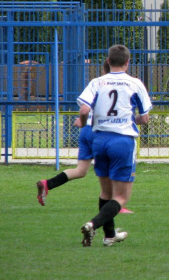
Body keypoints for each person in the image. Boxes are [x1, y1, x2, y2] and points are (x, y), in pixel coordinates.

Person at [76, 44, 152, 247]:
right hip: (122, 141)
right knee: (121, 197)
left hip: (99, 140)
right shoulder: (135, 83)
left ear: (108, 61)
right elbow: (144, 118)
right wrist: (127, 119)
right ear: (128, 62)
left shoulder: (97, 82)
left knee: (105, 193)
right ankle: (93, 224)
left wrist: (84, 125)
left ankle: (109, 236)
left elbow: (84, 110)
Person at [36, 61, 133, 214]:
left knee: (81, 171)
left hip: (86, 129)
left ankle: (47, 184)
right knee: (111, 167)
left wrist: (82, 121)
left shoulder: (96, 85)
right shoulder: (120, 86)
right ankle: (116, 203)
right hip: (100, 131)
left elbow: (85, 108)